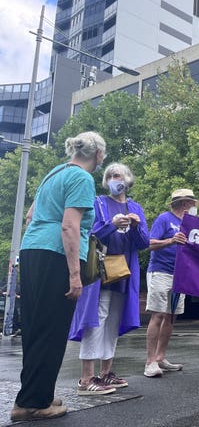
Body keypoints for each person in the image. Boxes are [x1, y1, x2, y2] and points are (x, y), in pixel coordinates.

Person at [11, 132, 106, 422]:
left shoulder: (54, 173)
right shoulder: (82, 178)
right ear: (98, 154)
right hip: (56, 254)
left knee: (36, 326)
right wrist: (75, 275)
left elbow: (30, 216)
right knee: (52, 329)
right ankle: (33, 404)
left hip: (32, 249)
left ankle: (36, 393)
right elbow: (69, 226)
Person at [69, 163, 149, 394]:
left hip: (124, 271)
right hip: (100, 271)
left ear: (128, 179)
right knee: (96, 319)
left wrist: (134, 227)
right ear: (106, 181)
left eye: (119, 175)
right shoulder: (98, 203)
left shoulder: (135, 207)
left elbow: (144, 243)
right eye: (111, 176)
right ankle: (87, 378)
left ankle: (106, 373)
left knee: (113, 320)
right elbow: (89, 234)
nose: (115, 179)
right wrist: (111, 225)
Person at [144, 188, 199, 377]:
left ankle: (160, 357)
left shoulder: (188, 224)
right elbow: (149, 244)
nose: (194, 207)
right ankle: (150, 361)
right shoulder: (164, 219)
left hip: (179, 276)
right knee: (158, 315)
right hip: (160, 272)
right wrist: (170, 241)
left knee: (171, 316)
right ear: (184, 204)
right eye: (192, 204)